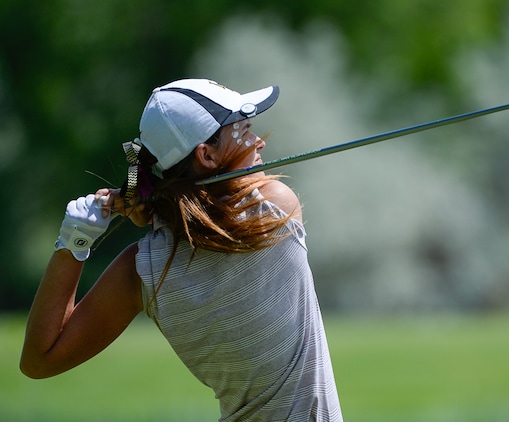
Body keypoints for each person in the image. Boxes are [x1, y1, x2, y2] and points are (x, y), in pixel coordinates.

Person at [20, 79, 343, 421]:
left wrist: (74, 242)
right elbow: (215, 209)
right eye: (244, 130)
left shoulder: (143, 270)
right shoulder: (273, 211)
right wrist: (148, 204)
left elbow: (40, 360)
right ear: (206, 154)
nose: (258, 141)